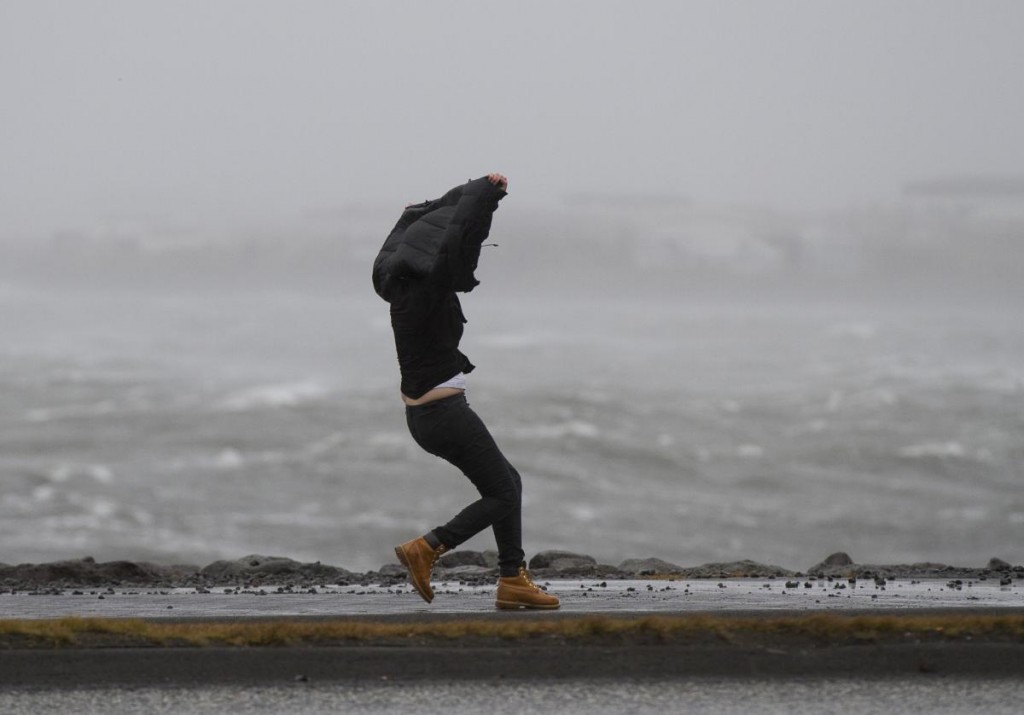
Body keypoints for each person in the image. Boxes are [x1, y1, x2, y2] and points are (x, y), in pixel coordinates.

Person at [372, 172, 559, 610]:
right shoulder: (429, 289)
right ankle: (428, 547)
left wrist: (416, 214)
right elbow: (461, 243)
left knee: (507, 482)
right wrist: (487, 195)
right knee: (504, 492)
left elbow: (410, 239)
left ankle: (513, 579)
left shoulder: (395, 286)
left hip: (427, 416)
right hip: (443, 415)